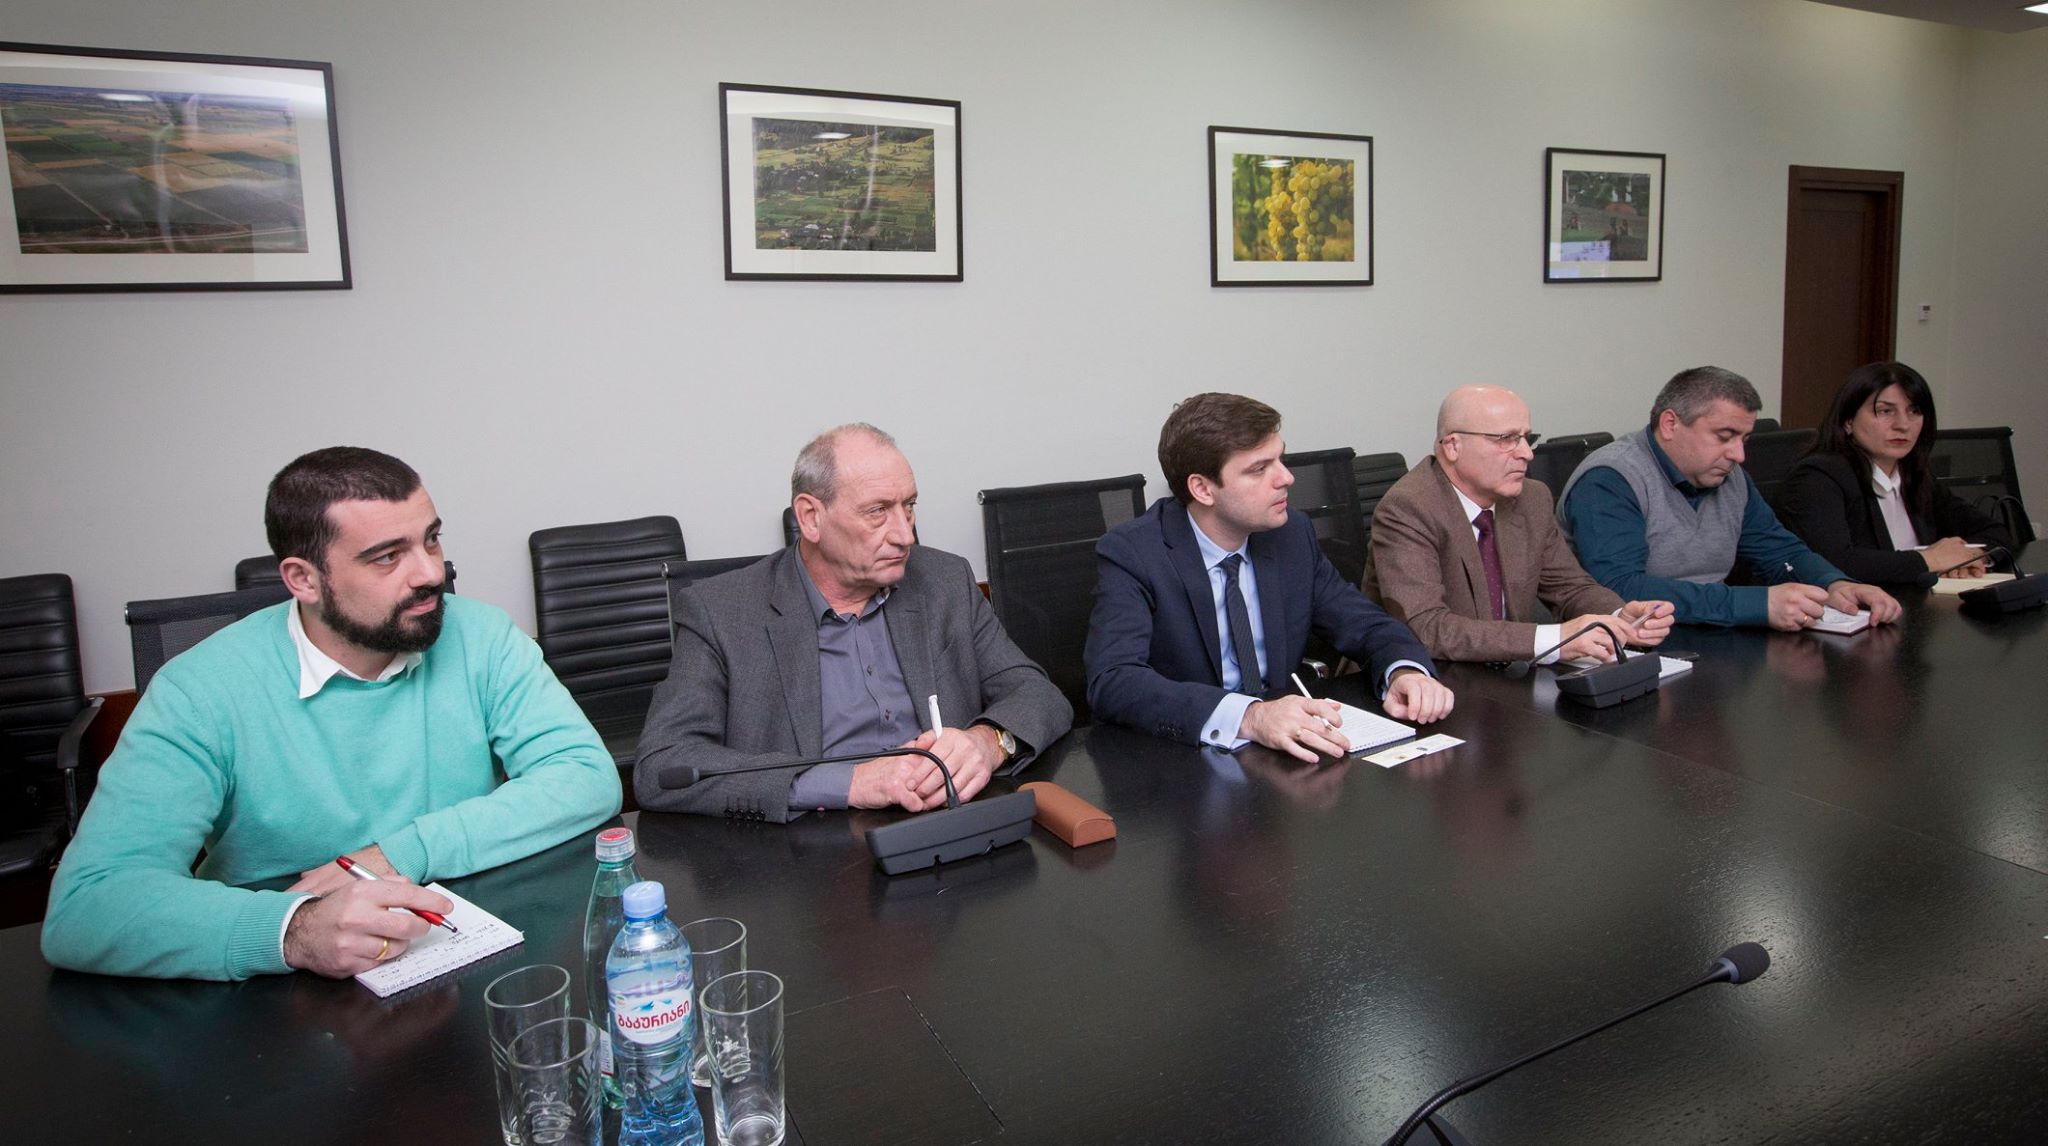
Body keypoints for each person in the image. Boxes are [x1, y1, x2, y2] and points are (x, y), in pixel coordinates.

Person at [42, 448, 620, 981]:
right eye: (387, 557)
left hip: (456, 951)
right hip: (279, 998)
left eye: (431, 540)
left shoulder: (482, 635)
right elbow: (87, 907)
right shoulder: (199, 690)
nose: (430, 573)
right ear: (304, 579)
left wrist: (402, 853)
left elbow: (585, 776)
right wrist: (294, 929)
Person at [635, 424, 1072, 822]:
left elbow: (1039, 695)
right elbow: (663, 766)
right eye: (877, 511)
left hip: (946, 825)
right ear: (811, 518)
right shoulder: (722, 612)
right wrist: (851, 783)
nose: (905, 534)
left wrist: (989, 743)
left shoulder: (944, 582)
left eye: (909, 506)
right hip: (806, 850)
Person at [1085, 393, 1453, 765]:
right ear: (1203, 489)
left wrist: (1404, 670)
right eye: (1259, 469)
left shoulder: (1290, 534)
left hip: (1283, 757)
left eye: (1280, 459)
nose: (1287, 478)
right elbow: (1114, 680)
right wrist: (1249, 716)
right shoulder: (1135, 552)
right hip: (1182, 761)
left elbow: (1364, 623)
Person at [1557, 366, 1901, 631]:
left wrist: (1834, 583)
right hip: (1626, 648)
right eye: (1724, 436)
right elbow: (1619, 589)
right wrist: (1755, 604)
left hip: (1709, 636)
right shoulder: (1610, 479)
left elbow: (1778, 550)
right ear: (1670, 424)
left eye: (1744, 439)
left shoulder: (1730, 477)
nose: (1739, 455)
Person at [1368, 384, 1674, 663]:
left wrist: (1619, 616)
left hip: (1505, 673)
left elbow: (1569, 587)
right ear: (1452, 446)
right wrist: (1557, 638)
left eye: (1527, 438)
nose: (1526, 454)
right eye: (1506, 439)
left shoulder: (1532, 498)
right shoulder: (1409, 507)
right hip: (1425, 678)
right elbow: (1428, 628)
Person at [1775, 361, 2014, 585]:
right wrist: (1930, 560)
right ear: (1848, 421)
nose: (1903, 425)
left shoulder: (1914, 475)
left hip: (1917, 604)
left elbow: (1996, 532)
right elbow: (1834, 562)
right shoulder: (1816, 478)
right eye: (1885, 411)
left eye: (1914, 411)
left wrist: (1969, 557)